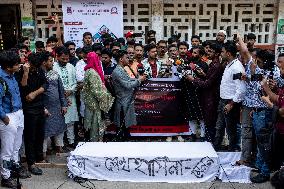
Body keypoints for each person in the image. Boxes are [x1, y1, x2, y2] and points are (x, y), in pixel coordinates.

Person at [0, 51, 29, 188]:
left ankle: (13, 169)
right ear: (8, 67)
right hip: (8, 116)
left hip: (18, 113)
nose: (20, 65)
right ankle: (5, 176)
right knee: (7, 149)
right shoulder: (1, 79)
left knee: (16, 147)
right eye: (17, 64)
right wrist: (4, 118)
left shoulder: (12, 75)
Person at [186, 43, 223, 141]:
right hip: (202, 96)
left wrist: (193, 80)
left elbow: (207, 83)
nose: (208, 52)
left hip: (209, 97)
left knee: (208, 120)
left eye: (210, 51)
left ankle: (207, 141)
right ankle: (201, 137)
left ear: (217, 54)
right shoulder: (212, 64)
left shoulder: (215, 65)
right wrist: (203, 74)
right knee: (196, 117)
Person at [213, 41, 246, 151]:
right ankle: (216, 150)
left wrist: (231, 104)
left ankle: (232, 152)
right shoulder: (229, 65)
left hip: (230, 102)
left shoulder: (237, 67)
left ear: (228, 53)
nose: (220, 54)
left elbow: (241, 89)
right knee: (219, 127)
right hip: (223, 101)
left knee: (231, 130)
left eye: (222, 52)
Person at [19, 53, 48, 175]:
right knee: (30, 136)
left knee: (40, 134)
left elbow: (45, 84)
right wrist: (25, 73)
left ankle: (39, 157)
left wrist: (35, 93)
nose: (34, 68)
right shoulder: (21, 70)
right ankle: (31, 163)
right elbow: (24, 89)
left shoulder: (40, 70)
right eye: (33, 66)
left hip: (39, 106)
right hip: (28, 108)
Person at [112, 50, 147, 140]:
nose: (129, 59)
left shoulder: (121, 69)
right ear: (121, 59)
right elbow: (127, 85)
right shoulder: (117, 71)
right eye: (126, 57)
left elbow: (129, 80)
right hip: (122, 102)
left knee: (126, 127)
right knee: (122, 127)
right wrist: (139, 80)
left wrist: (138, 78)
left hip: (126, 100)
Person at [83, 52, 114, 141]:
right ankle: (95, 145)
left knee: (95, 124)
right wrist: (108, 98)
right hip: (95, 104)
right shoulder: (92, 72)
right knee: (95, 125)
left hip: (92, 103)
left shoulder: (89, 70)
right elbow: (97, 91)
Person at [41, 51, 67, 156]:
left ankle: (59, 147)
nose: (52, 63)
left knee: (60, 128)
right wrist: (42, 107)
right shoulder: (39, 75)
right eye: (50, 61)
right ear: (44, 62)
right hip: (46, 107)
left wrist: (64, 104)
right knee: (45, 131)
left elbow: (61, 90)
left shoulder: (55, 74)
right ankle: (43, 153)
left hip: (57, 107)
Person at [53, 47, 79, 148]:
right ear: (57, 57)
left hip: (70, 96)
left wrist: (71, 90)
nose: (65, 61)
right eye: (62, 59)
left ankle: (71, 141)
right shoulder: (53, 67)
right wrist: (62, 93)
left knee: (70, 121)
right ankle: (60, 144)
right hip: (58, 98)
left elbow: (75, 82)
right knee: (60, 120)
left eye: (67, 59)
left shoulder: (71, 66)